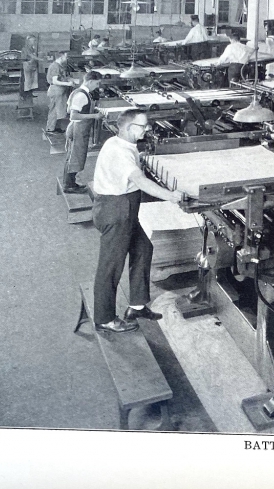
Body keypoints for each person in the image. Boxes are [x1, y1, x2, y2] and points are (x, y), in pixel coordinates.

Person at [88, 110, 184, 335]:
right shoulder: (120, 152)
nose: (147, 129)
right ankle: (105, 318)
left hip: (123, 208)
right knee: (111, 266)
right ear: (129, 128)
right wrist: (170, 195)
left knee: (143, 248)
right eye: (143, 126)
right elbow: (139, 180)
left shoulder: (118, 142)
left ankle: (137, 307)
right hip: (117, 211)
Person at [62, 71, 98, 194]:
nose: (97, 86)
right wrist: (95, 115)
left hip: (77, 128)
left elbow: (68, 108)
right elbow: (73, 114)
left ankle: (70, 183)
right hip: (78, 129)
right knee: (75, 158)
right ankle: (69, 186)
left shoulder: (77, 92)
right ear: (90, 81)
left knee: (74, 157)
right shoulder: (81, 95)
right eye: (96, 83)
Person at [44, 51, 71, 135]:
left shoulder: (59, 66)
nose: (67, 59)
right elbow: (55, 81)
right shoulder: (55, 66)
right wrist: (67, 83)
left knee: (58, 110)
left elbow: (60, 77)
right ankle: (50, 129)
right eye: (66, 57)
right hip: (56, 90)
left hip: (59, 91)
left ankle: (56, 127)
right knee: (54, 110)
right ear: (61, 57)